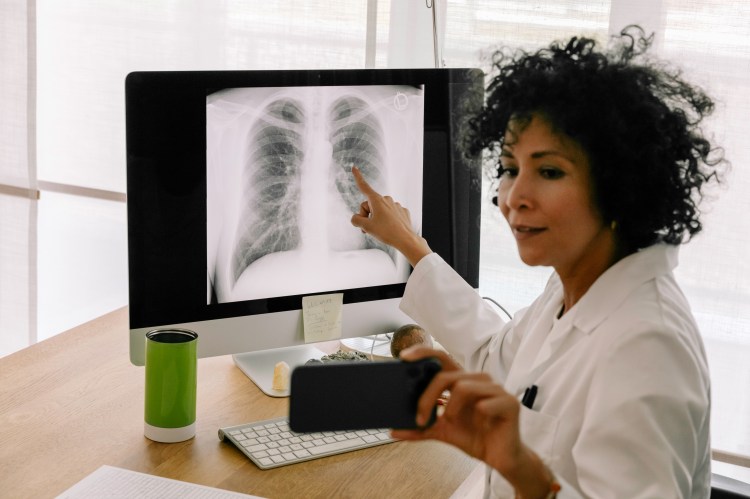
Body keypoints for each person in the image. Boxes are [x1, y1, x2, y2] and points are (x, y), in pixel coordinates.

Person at [350, 26, 726, 499]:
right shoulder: (573, 288)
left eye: (549, 171)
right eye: (510, 168)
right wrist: (409, 243)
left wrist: (520, 468)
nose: (514, 197)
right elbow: (495, 357)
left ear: (620, 186)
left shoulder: (647, 345)